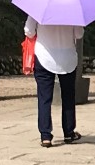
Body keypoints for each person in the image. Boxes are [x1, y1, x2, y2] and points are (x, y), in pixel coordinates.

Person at [24, 14, 84, 146]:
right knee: (68, 96)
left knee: (44, 97)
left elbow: (28, 31)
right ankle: (69, 133)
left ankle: (45, 136)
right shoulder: (73, 9)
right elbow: (79, 34)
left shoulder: (39, 7)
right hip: (67, 58)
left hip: (44, 55)